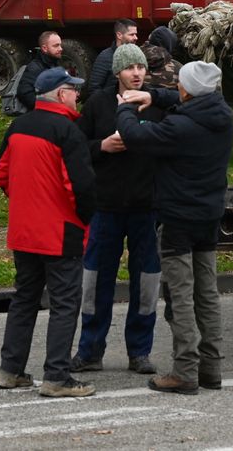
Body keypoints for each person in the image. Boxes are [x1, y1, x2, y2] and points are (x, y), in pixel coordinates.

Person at [116, 61, 233, 395]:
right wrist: (154, 95)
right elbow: (185, 100)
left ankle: (185, 370)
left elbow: (136, 136)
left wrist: (126, 107)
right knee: (207, 293)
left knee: (180, 296)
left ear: (187, 90)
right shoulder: (221, 116)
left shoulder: (180, 128)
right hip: (209, 215)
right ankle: (212, 367)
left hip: (178, 219)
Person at [0, 66, 97, 398]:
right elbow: (80, 187)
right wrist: (86, 219)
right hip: (60, 231)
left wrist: (25, 200)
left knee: (24, 299)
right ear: (61, 94)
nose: (78, 95)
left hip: (24, 230)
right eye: (74, 89)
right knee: (65, 303)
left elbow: (1, 174)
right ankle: (57, 376)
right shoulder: (68, 131)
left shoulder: (18, 126)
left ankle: (10, 370)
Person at [71, 44, 163, 376]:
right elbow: (77, 146)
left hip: (146, 208)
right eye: (130, 68)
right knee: (95, 282)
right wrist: (102, 146)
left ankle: (140, 352)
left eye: (141, 67)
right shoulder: (98, 103)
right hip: (106, 207)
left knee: (147, 283)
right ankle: (90, 351)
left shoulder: (154, 103)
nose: (137, 73)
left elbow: (170, 145)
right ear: (117, 73)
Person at [84, 19, 138, 95]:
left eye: (136, 34)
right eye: (131, 34)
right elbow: (94, 88)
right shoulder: (105, 57)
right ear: (119, 35)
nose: (136, 38)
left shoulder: (136, 56)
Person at [16, 31, 64, 113]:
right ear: (44, 48)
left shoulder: (55, 64)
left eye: (60, 45)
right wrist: (45, 109)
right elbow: (24, 93)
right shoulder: (34, 67)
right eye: (56, 46)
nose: (60, 49)